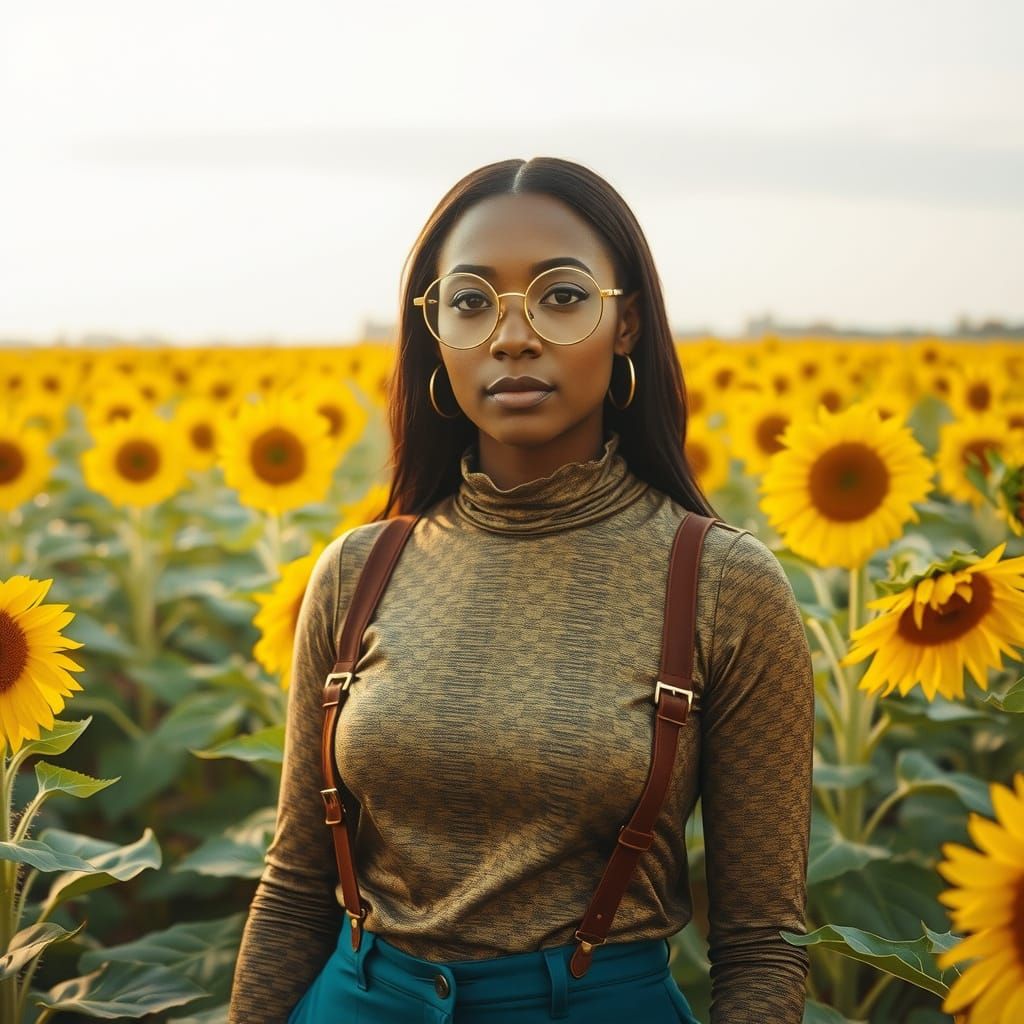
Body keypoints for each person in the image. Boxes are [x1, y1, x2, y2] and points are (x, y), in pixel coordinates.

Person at [227, 156, 815, 1024]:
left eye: (562, 296)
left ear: (628, 325)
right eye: (470, 302)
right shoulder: (356, 571)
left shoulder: (724, 586)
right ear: (435, 334)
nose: (512, 335)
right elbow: (294, 883)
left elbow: (763, 945)